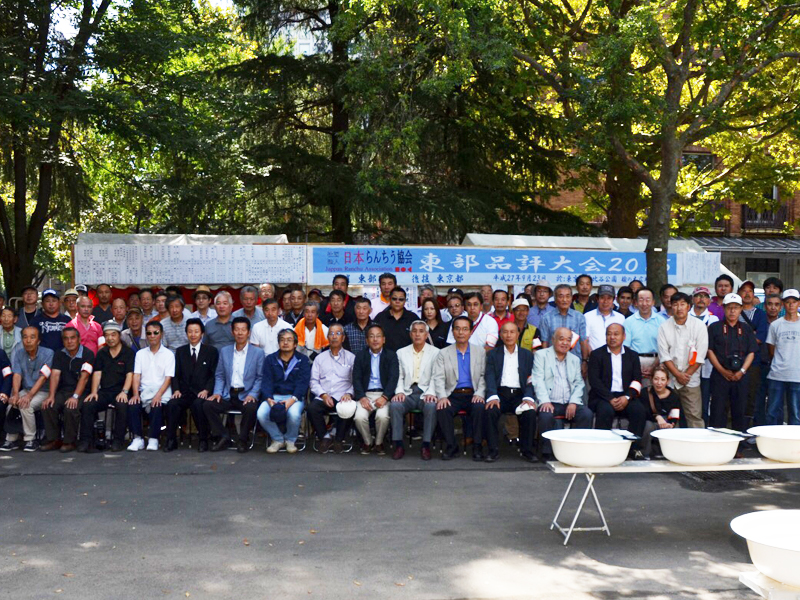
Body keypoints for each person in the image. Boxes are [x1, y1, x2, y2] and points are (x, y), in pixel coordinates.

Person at [204, 317, 264, 452]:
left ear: (248, 333)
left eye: (243, 330)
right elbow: (220, 375)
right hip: (228, 393)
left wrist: (253, 394)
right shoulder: (225, 351)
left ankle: (243, 440)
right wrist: (217, 392)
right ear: (232, 332)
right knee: (208, 405)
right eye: (237, 330)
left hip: (246, 393)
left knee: (251, 408)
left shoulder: (258, 353)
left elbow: (260, 377)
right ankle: (224, 436)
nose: (240, 333)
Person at [588, 323, 647, 459]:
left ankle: (634, 449)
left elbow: (637, 380)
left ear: (624, 336)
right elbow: (594, 381)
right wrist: (610, 398)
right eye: (609, 334)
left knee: (639, 411)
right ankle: (603, 449)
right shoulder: (596, 355)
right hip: (603, 396)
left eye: (616, 334)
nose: (612, 337)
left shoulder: (632, 355)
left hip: (626, 395)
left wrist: (627, 397)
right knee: (605, 410)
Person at [533, 327, 593, 460]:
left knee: (586, 414)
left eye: (568, 340)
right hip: (550, 401)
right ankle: (547, 453)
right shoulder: (541, 355)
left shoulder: (574, 359)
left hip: (569, 402)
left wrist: (573, 402)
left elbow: (579, 383)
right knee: (546, 415)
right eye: (561, 339)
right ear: (553, 340)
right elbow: (538, 380)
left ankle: (578, 451)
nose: (565, 343)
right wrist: (545, 401)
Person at [433, 316, 487, 461]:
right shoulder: (443, 353)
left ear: (471, 331)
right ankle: (452, 446)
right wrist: (442, 396)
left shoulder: (480, 352)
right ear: (453, 331)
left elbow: (483, 376)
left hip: (473, 393)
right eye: (457, 329)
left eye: (465, 329)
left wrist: (480, 393)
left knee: (479, 408)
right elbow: (439, 377)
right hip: (453, 394)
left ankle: (477, 446)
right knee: (442, 408)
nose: (461, 332)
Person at [706, 294, 758, 442]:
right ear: (724, 308)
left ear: (741, 309)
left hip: (741, 375)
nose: (732, 311)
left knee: (740, 411)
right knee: (718, 411)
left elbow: (751, 352)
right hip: (720, 374)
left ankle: (738, 445)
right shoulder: (715, 327)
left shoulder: (746, 328)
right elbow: (709, 350)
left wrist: (742, 371)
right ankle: (717, 443)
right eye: (729, 307)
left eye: (736, 308)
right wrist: (722, 370)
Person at [484, 321, 537, 463]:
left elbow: (531, 378)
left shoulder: (527, 355)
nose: (509, 335)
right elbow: (489, 376)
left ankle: (527, 450)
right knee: (490, 411)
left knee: (530, 413)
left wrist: (528, 397)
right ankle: (493, 450)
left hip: (520, 394)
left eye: (512, 332)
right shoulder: (493, 354)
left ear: (518, 334)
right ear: (501, 335)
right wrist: (492, 396)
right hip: (500, 393)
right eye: (505, 332)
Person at [79, 321, 134, 453]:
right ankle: (86, 440)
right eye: (107, 335)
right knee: (88, 404)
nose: (110, 338)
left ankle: (118, 440)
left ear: (119, 335)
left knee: (122, 405)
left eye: (113, 335)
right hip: (105, 391)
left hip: (121, 391)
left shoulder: (128, 352)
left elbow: (130, 374)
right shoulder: (102, 353)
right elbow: (97, 374)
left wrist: (125, 392)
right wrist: (94, 392)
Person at [166, 318, 219, 452]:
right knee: (172, 404)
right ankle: (171, 440)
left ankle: (203, 439)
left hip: (201, 392)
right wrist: (176, 390)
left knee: (198, 405)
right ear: (186, 333)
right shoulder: (180, 351)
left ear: (202, 334)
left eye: (196, 331)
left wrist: (207, 390)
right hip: (184, 392)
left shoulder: (211, 351)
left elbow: (214, 375)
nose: (193, 334)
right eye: (190, 331)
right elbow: (175, 374)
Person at [657, 291, 708, 428]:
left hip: (691, 379)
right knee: (670, 417)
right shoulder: (664, 327)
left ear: (689, 306)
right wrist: (677, 375)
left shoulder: (699, 326)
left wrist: (685, 375)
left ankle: (697, 441)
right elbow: (664, 355)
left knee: (694, 417)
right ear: (671, 306)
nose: (679, 308)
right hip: (670, 380)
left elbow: (700, 356)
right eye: (675, 304)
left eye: (682, 304)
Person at [390, 320, 440, 460]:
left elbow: (436, 376)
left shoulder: (436, 352)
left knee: (431, 406)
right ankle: (398, 445)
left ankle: (426, 445)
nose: (418, 334)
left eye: (421, 331)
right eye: (414, 331)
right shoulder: (401, 352)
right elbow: (399, 375)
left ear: (426, 335)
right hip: (408, 392)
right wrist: (399, 391)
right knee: (395, 405)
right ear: (410, 334)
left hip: (426, 391)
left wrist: (431, 392)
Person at [40, 327, 94, 452]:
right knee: (48, 406)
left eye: (72, 338)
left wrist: (75, 397)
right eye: (66, 338)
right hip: (63, 390)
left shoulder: (87, 354)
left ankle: (70, 442)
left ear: (79, 339)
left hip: (82, 391)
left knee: (71, 408)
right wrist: (51, 396)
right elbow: (55, 375)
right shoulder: (59, 353)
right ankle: (54, 440)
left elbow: (84, 378)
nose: (69, 341)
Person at [0, 327, 54, 452]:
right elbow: (17, 375)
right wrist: (15, 394)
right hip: (26, 389)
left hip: (44, 391)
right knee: (11, 404)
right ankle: (11, 439)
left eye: (32, 337)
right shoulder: (19, 353)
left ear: (38, 341)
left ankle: (30, 439)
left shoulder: (48, 353)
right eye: (25, 337)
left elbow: (43, 378)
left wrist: (29, 396)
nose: (28, 340)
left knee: (25, 405)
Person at [258, 328, 311, 454]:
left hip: (294, 397)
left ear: (295, 344)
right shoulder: (270, 359)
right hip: (274, 396)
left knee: (294, 414)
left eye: (289, 340)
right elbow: (266, 381)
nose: (285, 343)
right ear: (278, 343)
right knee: (261, 414)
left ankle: (290, 440)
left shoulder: (302, 360)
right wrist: (269, 399)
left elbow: (303, 383)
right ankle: (277, 439)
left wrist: (292, 400)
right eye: (282, 340)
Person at [308, 323, 356, 454]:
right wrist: (323, 395)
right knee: (312, 409)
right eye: (331, 334)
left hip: (343, 396)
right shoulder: (320, 358)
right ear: (327, 337)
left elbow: (356, 381)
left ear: (343, 338)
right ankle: (325, 437)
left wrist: (349, 394)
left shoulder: (351, 358)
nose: (334, 336)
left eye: (338, 333)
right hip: (324, 396)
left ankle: (339, 439)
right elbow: (313, 381)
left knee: (348, 408)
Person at [127, 320, 174, 452]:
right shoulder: (140, 354)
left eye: (155, 333)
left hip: (162, 392)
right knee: (133, 404)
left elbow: (168, 378)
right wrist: (135, 394)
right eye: (149, 333)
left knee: (157, 405)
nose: (152, 336)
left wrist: (158, 395)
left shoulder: (169, 354)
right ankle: (138, 439)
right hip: (144, 391)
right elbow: (136, 375)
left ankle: (154, 438)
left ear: (161, 334)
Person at [352, 324, 398, 455]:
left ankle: (379, 443)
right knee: (359, 417)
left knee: (382, 417)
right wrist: (362, 397)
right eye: (371, 336)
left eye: (378, 336)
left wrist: (385, 397)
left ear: (384, 339)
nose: (375, 339)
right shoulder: (361, 356)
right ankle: (368, 442)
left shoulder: (391, 356)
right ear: (367, 340)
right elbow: (356, 378)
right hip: (366, 394)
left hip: (383, 394)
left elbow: (393, 378)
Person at [765, 289, 800, 425]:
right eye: (788, 302)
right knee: (772, 412)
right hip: (777, 374)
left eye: (794, 302)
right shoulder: (775, 325)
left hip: (797, 375)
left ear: (798, 303)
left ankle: (795, 439)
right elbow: (771, 349)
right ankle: (770, 437)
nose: (791, 305)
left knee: (796, 413)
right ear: (783, 304)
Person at [538, 284, 589, 374]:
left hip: (574, 363)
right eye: (561, 296)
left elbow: (583, 341)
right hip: (552, 363)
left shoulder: (579, 317)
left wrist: (584, 361)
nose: (564, 300)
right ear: (555, 299)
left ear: (571, 298)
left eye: (567, 296)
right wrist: (544, 362)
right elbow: (545, 342)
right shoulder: (547, 318)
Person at [738, 280, 769, 427]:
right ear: (739, 293)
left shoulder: (760, 314)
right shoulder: (733, 311)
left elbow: (760, 338)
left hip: (754, 362)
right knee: (736, 396)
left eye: (750, 291)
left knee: (752, 395)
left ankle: (749, 427)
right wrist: (751, 335)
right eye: (744, 290)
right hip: (734, 362)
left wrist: (739, 338)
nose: (747, 293)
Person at [690, 286, 719, 426]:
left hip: (707, 364)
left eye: (705, 296)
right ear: (692, 299)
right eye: (698, 296)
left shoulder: (714, 319)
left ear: (709, 301)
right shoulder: (686, 316)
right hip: (688, 364)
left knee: (705, 398)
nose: (701, 299)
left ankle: (704, 426)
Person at [623, 286, 664, 388]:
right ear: (636, 302)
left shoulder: (661, 321)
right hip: (635, 361)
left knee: (654, 393)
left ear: (653, 302)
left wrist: (654, 366)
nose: (644, 303)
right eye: (641, 300)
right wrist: (636, 366)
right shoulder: (628, 321)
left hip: (657, 360)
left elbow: (665, 347)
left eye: (648, 300)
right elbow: (626, 348)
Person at [754, 294, 783, 427]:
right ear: (765, 306)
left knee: (777, 403)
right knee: (758, 401)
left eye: (776, 304)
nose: (773, 307)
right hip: (760, 365)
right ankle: (758, 429)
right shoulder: (759, 322)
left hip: (778, 368)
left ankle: (777, 431)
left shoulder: (783, 323)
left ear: (781, 307)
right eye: (770, 304)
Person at [640, 365, 681, 459]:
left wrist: (671, 424)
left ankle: (670, 455)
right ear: (651, 380)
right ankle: (645, 454)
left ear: (668, 381)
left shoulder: (673, 396)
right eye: (656, 379)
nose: (659, 383)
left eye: (663, 379)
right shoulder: (645, 393)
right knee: (647, 426)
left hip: (666, 421)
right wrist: (657, 417)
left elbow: (674, 414)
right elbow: (644, 412)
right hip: (651, 420)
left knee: (675, 428)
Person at [584, 284, 626, 351]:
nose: (605, 301)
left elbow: (623, 340)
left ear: (613, 299)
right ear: (597, 299)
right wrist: (593, 355)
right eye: (602, 298)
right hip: (593, 356)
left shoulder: (620, 318)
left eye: (609, 298)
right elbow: (585, 340)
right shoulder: (587, 316)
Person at [374, 287, 417, 352]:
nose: (397, 301)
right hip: (384, 356)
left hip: (407, 356)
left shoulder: (413, 318)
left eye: (401, 299)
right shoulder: (380, 317)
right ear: (390, 300)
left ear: (405, 301)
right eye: (394, 299)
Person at [0, 346, 13, 446]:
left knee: (1, 404)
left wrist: (4, 392)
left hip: (0, 392)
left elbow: (8, 375)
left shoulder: (1, 354)